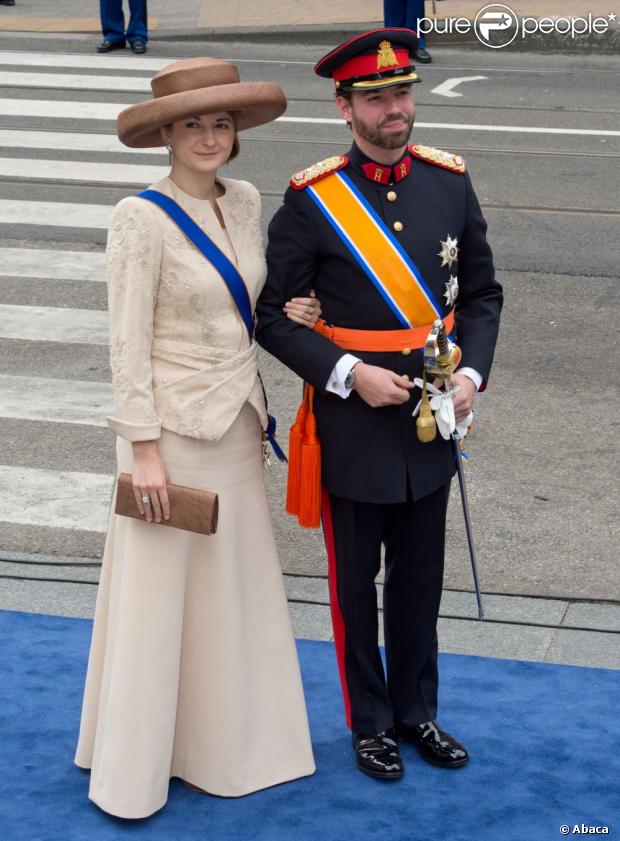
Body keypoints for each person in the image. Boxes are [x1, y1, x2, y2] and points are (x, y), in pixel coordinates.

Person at [74, 57, 318, 819]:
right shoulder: (137, 218)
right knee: (157, 602)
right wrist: (141, 448)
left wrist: (290, 320)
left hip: (239, 424)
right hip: (171, 437)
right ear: (165, 137)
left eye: (220, 123)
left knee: (231, 594)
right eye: (191, 125)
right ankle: (136, 769)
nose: (209, 137)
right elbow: (126, 343)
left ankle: (228, 749)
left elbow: (246, 300)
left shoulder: (244, 201)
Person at [256, 29, 503, 780]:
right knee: (354, 586)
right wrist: (346, 373)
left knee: (421, 581)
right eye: (376, 98)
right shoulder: (312, 199)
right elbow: (271, 315)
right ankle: (369, 724)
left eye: (402, 94)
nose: (395, 110)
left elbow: (484, 294)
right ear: (345, 107)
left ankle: (416, 712)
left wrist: (472, 379)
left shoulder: (449, 180)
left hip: (433, 415)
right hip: (353, 421)